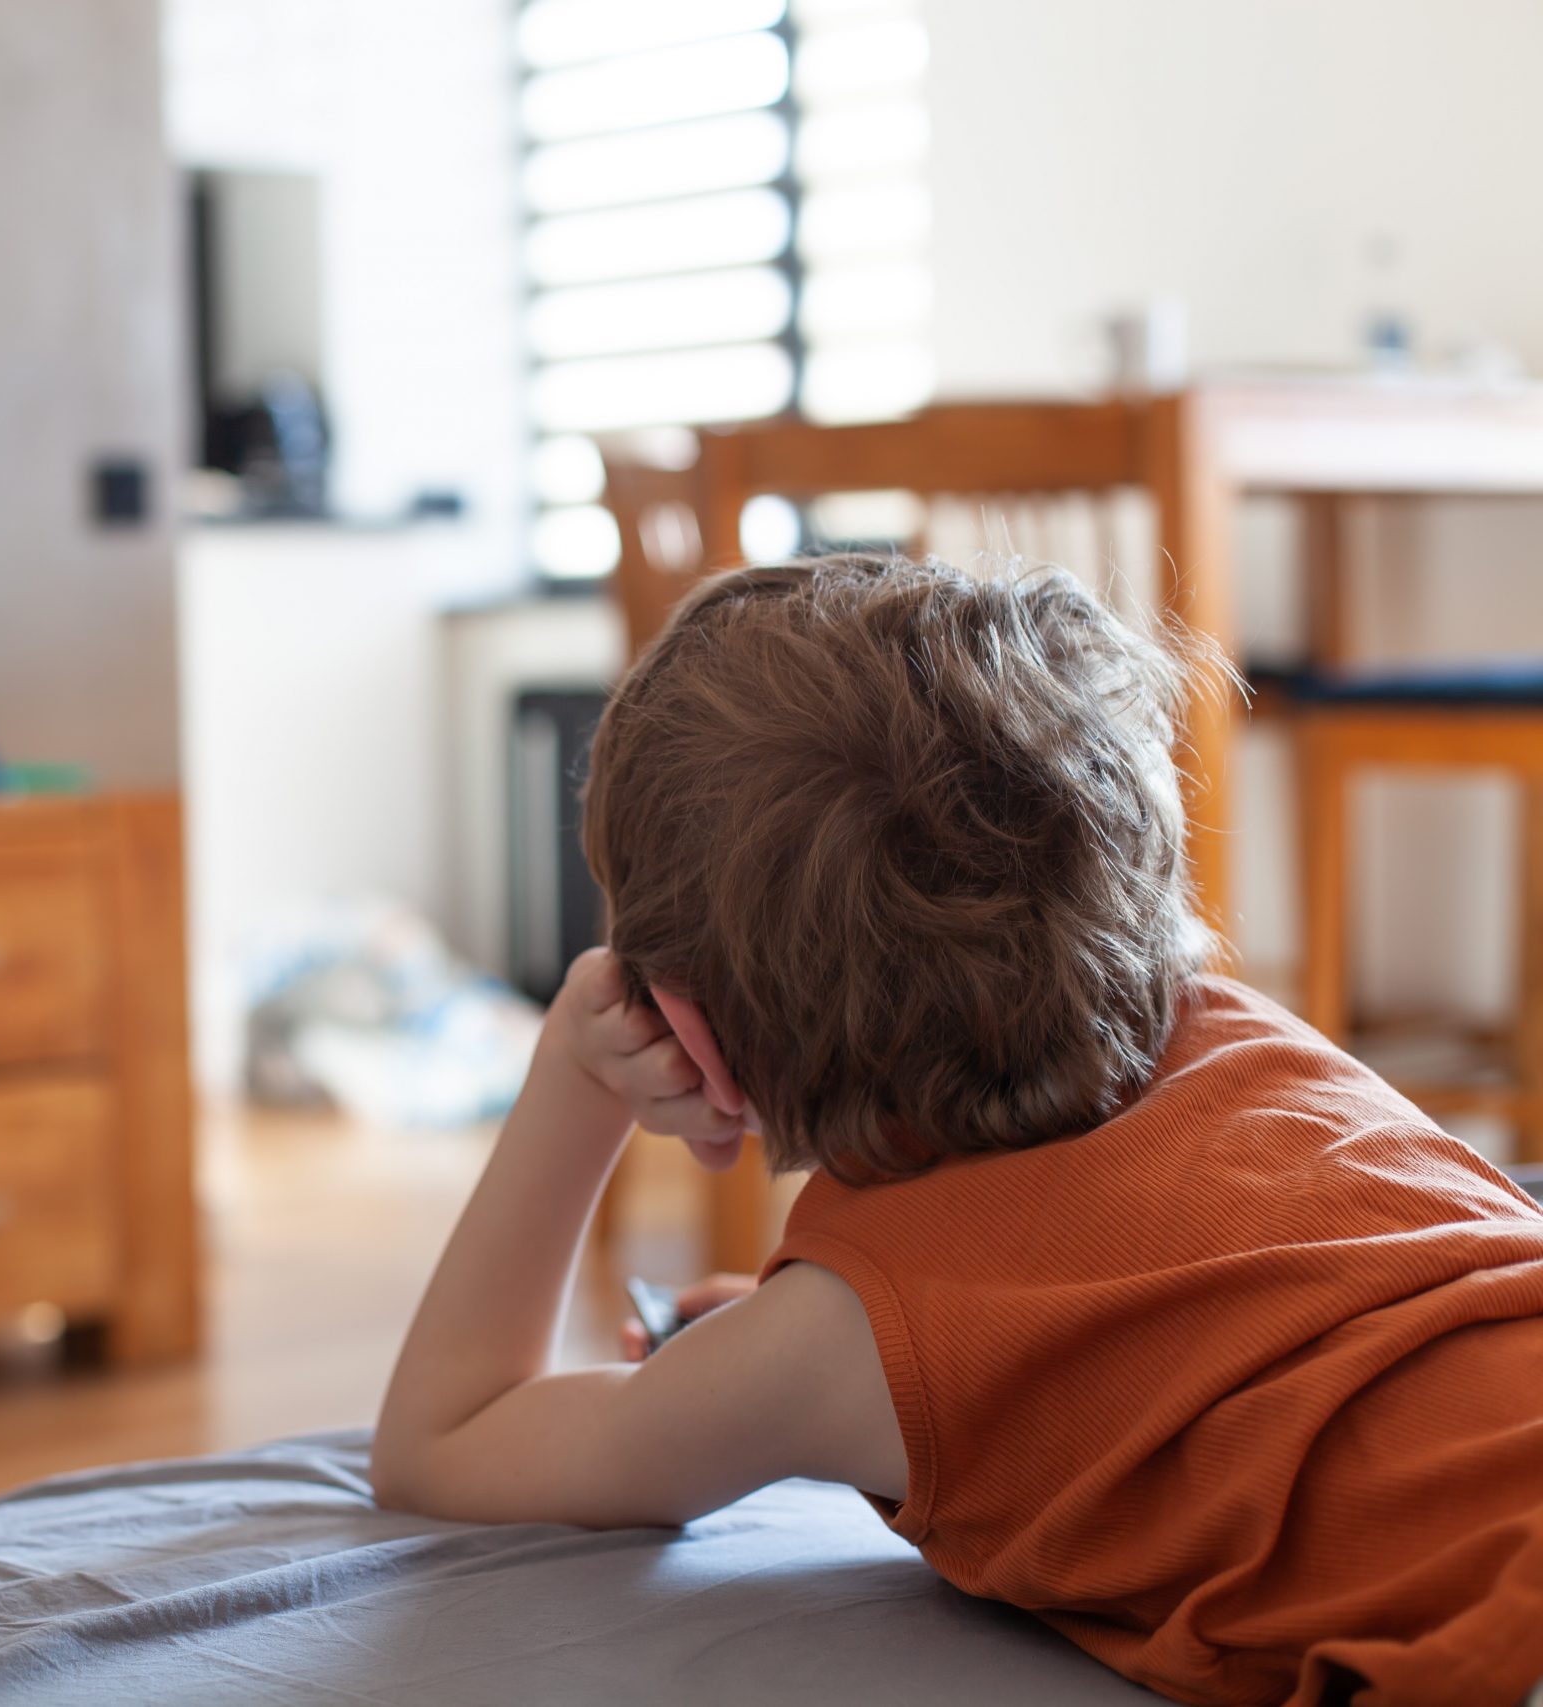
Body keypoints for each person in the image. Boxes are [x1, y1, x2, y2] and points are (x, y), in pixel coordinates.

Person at [370, 555, 1543, 1707]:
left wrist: (574, 1081)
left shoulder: (825, 1357)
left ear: (682, 1022)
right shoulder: (1241, 1035)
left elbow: (440, 1441)